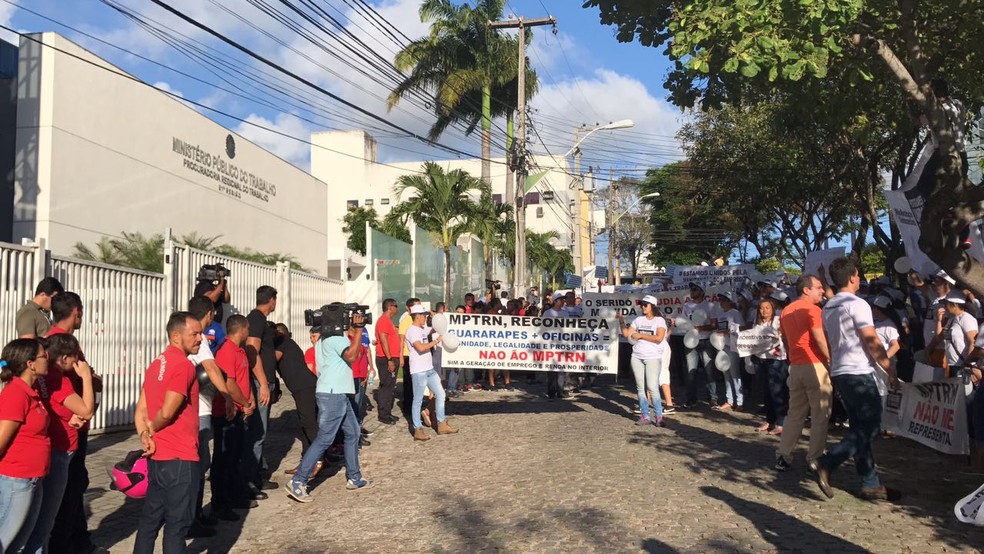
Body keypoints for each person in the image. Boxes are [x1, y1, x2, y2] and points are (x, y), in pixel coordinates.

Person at [814, 257, 898, 501]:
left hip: (840, 370)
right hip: (858, 371)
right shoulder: (858, 304)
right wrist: (889, 368)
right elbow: (871, 339)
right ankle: (828, 463)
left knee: (860, 428)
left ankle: (870, 482)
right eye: (858, 276)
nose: (859, 279)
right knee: (871, 427)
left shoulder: (829, 306)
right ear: (852, 277)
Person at [285, 305, 373, 502]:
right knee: (325, 438)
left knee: (353, 432)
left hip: (335, 392)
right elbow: (352, 355)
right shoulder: (337, 339)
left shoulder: (323, 340)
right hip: (334, 394)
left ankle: (354, 477)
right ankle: (298, 481)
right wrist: (358, 330)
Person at [133, 312, 203, 554]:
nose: (200, 339)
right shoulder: (183, 365)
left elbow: (141, 409)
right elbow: (168, 410)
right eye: (194, 334)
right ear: (176, 336)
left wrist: (145, 435)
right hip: (180, 457)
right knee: (177, 527)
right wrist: (152, 428)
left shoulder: (157, 363)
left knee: (150, 522)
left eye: (200, 333)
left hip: (158, 457)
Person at [24, 333, 94, 554]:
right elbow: (87, 409)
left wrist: (66, 415)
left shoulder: (41, 377)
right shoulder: (59, 380)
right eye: (75, 359)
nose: (77, 364)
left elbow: (49, 406)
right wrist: (86, 377)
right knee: (53, 513)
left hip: (49, 445)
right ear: (64, 359)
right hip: (61, 449)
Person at [46, 291, 101, 554]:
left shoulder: (51, 342)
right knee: (69, 490)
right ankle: (68, 544)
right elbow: (81, 404)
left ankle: (79, 541)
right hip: (69, 430)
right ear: (76, 312)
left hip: (71, 424)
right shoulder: (64, 345)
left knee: (73, 488)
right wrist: (89, 380)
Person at [186, 296, 235, 535]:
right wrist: (226, 396)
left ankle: (194, 513)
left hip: (193, 408)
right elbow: (211, 368)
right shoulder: (200, 339)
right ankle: (191, 518)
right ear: (209, 314)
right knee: (198, 465)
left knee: (198, 464)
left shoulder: (181, 335)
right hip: (200, 410)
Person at [775, 274, 832, 472]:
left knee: (795, 414)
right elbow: (819, 338)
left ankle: (783, 455)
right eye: (818, 287)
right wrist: (830, 360)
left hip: (796, 366)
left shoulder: (786, 311)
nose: (822, 290)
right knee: (820, 413)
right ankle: (815, 457)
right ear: (806, 290)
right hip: (815, 364)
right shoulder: (813, 310)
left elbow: (785, 340)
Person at [0, 338, 50, 553]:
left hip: (32, 477)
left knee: (20, 543)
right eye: (42, 356)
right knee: (5, 539)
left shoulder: (32, 391)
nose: (47, 358)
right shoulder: (16, 393)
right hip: (16, 479)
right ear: (30, 364)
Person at [211, 315, 255, 521]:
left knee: (236, 456)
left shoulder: (241, 351)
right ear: (242, 329)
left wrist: (250, 398)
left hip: (239, 410)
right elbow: (229, 384)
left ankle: (236, 495)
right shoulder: (227, 351)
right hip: (226, 412)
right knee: (223, 459)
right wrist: (244, 404)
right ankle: (220, 503)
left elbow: (244, 378)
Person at [244, 286, 279, 494]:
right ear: (272, 301)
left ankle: (257, 476)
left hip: (264, 381)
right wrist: (264, 384)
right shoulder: (256, 319)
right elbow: (251, 351)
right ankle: (249, 481)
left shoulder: (259, 320)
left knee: (261, 432)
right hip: (259, 383)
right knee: (257, 433)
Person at [406, 305, 458, 441]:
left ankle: (442, 424)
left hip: (429, 369)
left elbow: (436, 327)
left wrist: (434, 316)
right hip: (419, 371)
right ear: (417, 316)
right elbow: (420, 347)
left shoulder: (423, 329)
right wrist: (436, 341)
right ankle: (417, 429)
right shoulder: (412, 331)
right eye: (423, 315)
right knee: (417, 400)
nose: (425, 318)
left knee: (441, 394)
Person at [273, 323, 319, 475]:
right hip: (302, 389)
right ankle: (306, 462)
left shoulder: (284, 342)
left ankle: (319, 459)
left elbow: (272, 360)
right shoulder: (287, 344)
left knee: (310, 425)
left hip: (305, 388)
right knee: (305, 425)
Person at [619, 295, 668, 427]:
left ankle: (659, 416)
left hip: (652, 357)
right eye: (641, 304)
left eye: (645, 304)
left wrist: (641, 335)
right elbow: (626, 334)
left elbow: (659, 338)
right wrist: (621, 320)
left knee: (652, 387)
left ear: (652, 306)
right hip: (637, 356)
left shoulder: (659, 321)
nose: (643, 307)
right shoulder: (638, 319)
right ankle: (645, 415)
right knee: (640, 388)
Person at [751, 299, 787, 435]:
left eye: (767, 308)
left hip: (776, 360)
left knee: (777, 391)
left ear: (772, 309)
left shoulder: (778, 320)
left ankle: (781, 422)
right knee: (766, 392)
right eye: (761, 308)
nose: (764, 311)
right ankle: (770, 420)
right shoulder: (757, 323)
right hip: (762, 360)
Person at [683, 283, 720, 407]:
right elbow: (683, 322)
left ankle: (712, 398)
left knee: (709, 370)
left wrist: (701, 328)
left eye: (695, 289)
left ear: (702, 292)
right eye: (691, 289)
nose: (692, 291)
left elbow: (715, 325)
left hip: (705, 341)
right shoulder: (686, 306)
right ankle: (691, 398)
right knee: (690, 371)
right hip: (690, 342)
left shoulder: (709, 306)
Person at [929, 290, 978, 376]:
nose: (944, 307)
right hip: (952, 364)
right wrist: (939, 321)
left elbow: (973, 342)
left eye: (946, 304)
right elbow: (938, 337)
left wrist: (967, 363)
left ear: (954, 305)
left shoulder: (966, 318)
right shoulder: (951, 319)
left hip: (962, 365)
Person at [713, 292, 745, 411]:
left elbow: (742, 327)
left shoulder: (735, 313)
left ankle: (740, 401)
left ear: (730, 301)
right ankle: (730, 400)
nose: (721, 302)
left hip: (733, 345)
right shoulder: (719, 312)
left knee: (735, 373)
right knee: (725, 372)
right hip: (721, 345)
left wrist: (729, 331)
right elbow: (718, 327)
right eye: (720, 299)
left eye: (724, 299)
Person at [543, 294, 569, 399]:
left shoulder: (565, 313)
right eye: (561, 300)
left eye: (563, 300)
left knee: (562, 369)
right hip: (550, 345)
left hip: (562, 344)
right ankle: (551, 391)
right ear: (555, 301)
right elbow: (543, 328)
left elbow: (569, 328)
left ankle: (561, 391)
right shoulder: (547, 313)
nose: (563, 301)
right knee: (551, 370)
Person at [398, 298, 420, 418]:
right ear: (409, 308)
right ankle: (407, 406)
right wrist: (401, 356)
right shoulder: (405, 320)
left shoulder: (420, 320)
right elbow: (401, 340)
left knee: (417, 382)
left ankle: (415, 404)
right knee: (408, 383)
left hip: (418, 355)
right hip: (408, 355)